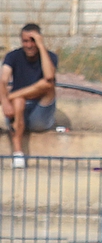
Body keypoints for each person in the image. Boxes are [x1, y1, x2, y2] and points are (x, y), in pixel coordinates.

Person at [1, 24, 57, 168]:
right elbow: (3, 80)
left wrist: (41, 46)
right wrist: (5, 102)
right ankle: (18, 154)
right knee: (19, 101)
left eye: (33, 41)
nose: (29, 45)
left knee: (48, 84)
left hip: (40, 113)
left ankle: (14, 96)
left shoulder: (50, 57)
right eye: (25, 41)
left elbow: (49, 77)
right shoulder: (13, 56)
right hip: (17, 112)